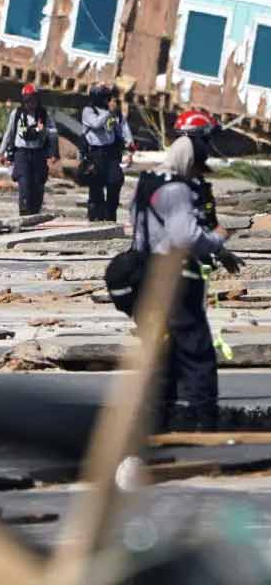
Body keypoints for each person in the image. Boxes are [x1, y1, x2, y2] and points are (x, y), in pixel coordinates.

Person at [130, 136, 242, 433]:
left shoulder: (147, 181)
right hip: (175, 278)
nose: (197, 177)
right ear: (189, 163)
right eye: (197, 169)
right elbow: (185, 237)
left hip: (145, 273)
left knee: (162, 349)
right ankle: (204, 419)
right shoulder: (177, 189)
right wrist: (218, 239)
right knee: (196, 350)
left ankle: (159, 418)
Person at [0, 84, 59, 216]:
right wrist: (1, 153)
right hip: (22, 154)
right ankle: (24, 212)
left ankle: (34, 213)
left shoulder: (43, 114)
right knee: (24, 183)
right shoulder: (17, 114)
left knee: (38, 185)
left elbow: (54, 132)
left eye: (32, 100)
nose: (30, 104)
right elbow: (9, 133)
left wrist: (44, 131)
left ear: (37, 100)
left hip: (38, 154)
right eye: (27, 101)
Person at [81, 84, 134, 222]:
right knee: (96, 189)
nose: (108, 100)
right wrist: (109, 113)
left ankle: (110, 215)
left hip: (110, 155)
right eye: (106, 98)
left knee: (115, 181)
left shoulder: (113, 114)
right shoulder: (88, 111)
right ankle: (95, 217)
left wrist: (128, 145)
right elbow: (96, 124)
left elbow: (120, 129)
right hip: (95, 154)